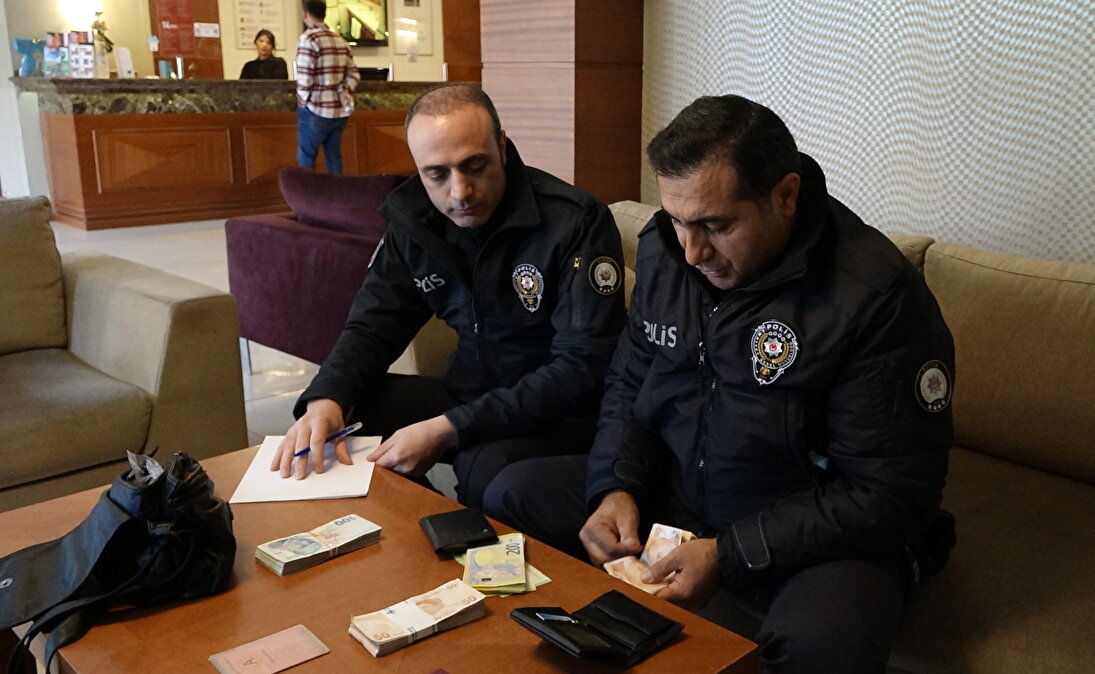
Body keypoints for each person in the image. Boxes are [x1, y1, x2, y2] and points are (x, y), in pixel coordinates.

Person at [483, 95, 956, 672]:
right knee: (511, 492)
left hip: (810, 534)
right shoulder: (667, 255)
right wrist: (616, 485)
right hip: (683, 490)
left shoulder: (874, 297)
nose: (692, 250)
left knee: (824, 649)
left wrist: (729, 554)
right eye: (678, 221)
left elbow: (889, 494)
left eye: (715, 225)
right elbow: (631, 383)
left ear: (785, 196)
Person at [270, 84, 628, 510]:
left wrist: (449, 427)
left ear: (503, 146)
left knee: (483, 470)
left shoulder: (574, 222)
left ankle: (451, 535)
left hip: (555, 413)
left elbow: (582, 370)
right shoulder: (415, 220)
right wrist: (325, 399)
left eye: (475, 166)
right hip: (468, 392)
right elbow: (372, 326)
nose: (459, 192)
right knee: (347, 408)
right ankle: (413, 529)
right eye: (436, 175)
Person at [294, 0, 359, 174]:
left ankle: (306, 200)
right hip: (339, 112)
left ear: (304, 13)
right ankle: (337, 198)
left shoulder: (308, 39)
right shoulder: (341, 41)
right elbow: (354, 73)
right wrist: (345, 90)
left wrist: (302, 102)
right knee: (334, 157)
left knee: (307, 158)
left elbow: (305, 78)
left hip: (315, 109)